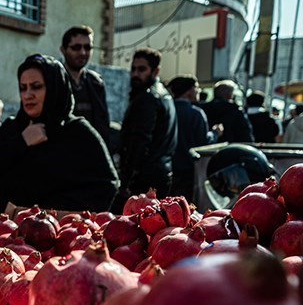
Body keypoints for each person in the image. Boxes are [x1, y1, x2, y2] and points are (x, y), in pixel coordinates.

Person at [0, 54, 119, 219]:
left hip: (60, 237)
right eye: (23, 87)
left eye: (36, 86)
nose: (28, 94)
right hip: (7, 233)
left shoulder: (77, 132)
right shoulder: (14, 128)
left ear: (54, 88)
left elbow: (106, 185)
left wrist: (54, 215)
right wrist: (21, 142)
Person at [117, 47, 177, 204]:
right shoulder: (164, 95)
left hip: (145, 178)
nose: (136, 74)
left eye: (142, 69)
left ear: (155, 71)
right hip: (161, 173)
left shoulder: (148, 97)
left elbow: (139, 141)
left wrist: (126, 181)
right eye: (134, 69)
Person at [167, 75, 222, 203]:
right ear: (189, 91)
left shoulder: (167, 110)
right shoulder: (195, 114)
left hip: (168, 167)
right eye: (196, 88)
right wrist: (215, 133)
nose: (198, 91)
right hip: (188, 169)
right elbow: (203, 142)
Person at [59, 25, 111, 145]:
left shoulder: (96, 82)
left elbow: (103, 124)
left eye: (87, 47)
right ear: (63, 49)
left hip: (92, 153)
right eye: (76, 47)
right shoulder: (55, 81)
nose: (82, 52)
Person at [198, 79, 254, 143]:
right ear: (230, 95)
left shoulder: (203, 109)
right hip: (231, 149)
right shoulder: (236, 111)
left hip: (206, 149)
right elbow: (245, 135)